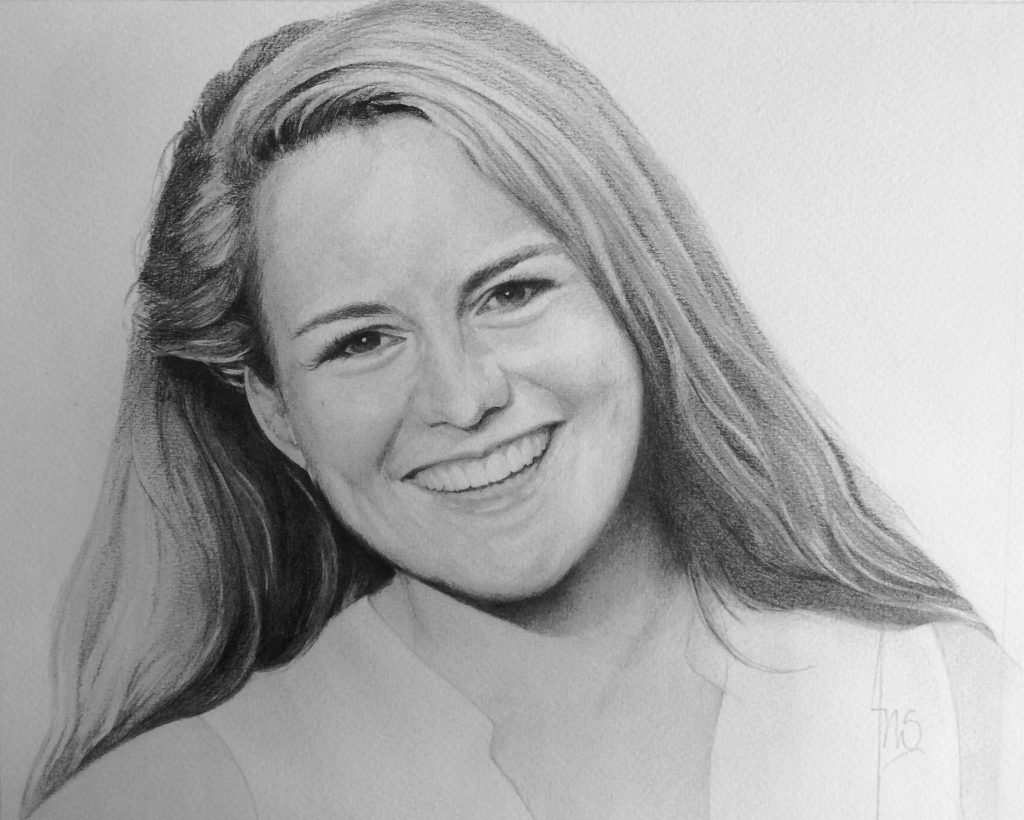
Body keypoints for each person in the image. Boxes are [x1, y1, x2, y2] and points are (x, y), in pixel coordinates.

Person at [23, 1, 1021, 817]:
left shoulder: (937, 708)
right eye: (360, 342)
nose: (462, 399)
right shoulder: (160, 802)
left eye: (510, 292)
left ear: (638, 291)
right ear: (278, 412)